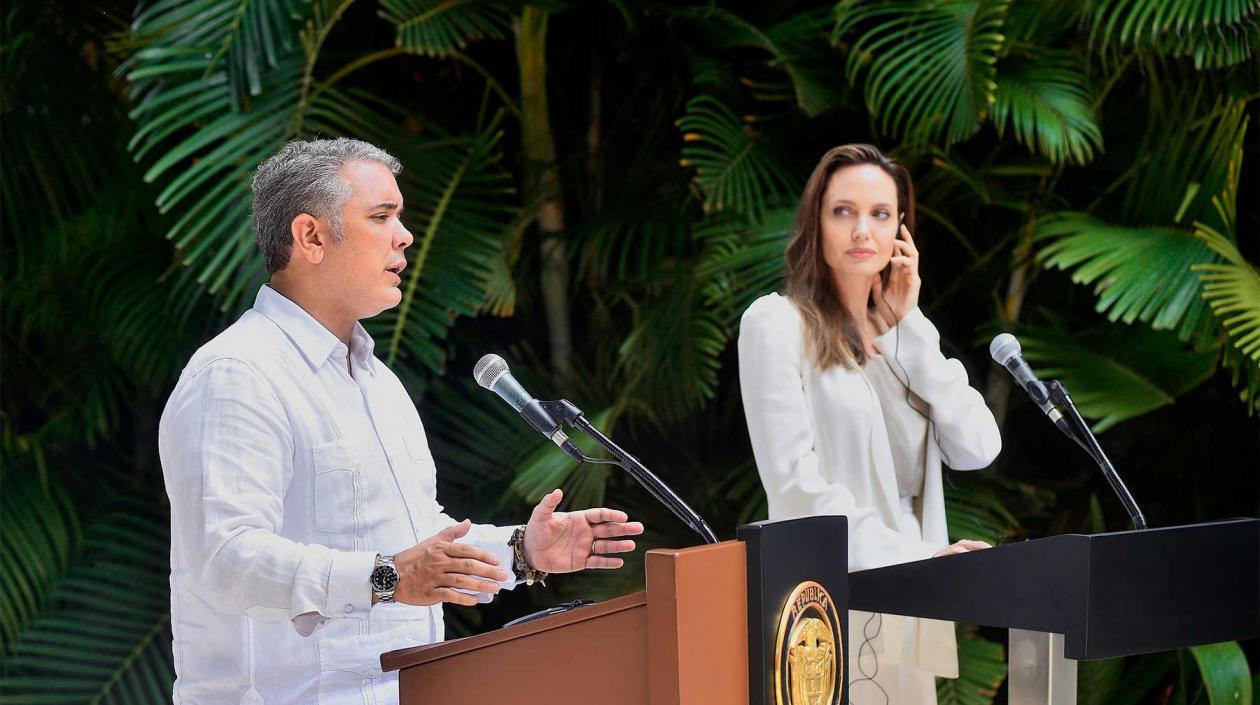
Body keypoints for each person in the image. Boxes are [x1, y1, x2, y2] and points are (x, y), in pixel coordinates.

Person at [158, 138, 644, 705]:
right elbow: (227, 559)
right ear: (311, 236)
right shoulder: (237, 374)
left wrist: (521, 551)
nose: (405, 235)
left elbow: (412, 540)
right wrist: (388, 579)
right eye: (381, 216)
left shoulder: (376, 381)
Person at [737, 144, 1002, 704]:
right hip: (829, 606)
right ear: (816, 222)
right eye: (843, 211)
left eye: (880, 214)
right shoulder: (776, 324)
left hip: (912, 604)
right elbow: (795, 490)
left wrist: (912, 324)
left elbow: (979, 446)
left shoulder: (903, 335)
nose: (863, 229)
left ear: (901, 231)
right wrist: (920, 559)